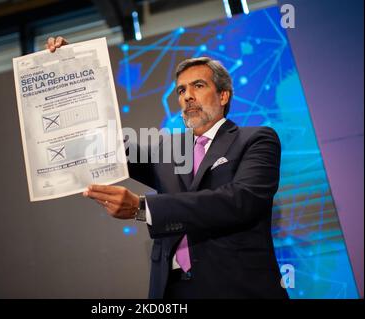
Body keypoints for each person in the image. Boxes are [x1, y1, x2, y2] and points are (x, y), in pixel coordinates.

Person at [46, 37, 289, 299]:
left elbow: (241, 200)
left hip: (237, 288)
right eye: (181, 90)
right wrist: (73, 66)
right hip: (172, 291)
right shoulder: (167, 149)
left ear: (223, 95)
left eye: (198, 85)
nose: (188, 96)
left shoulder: (256, 139)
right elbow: (104, 144)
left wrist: (143, 208)